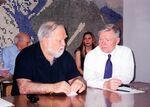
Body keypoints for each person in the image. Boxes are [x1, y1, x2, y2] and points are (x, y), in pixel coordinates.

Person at [11, 21, 86, 96]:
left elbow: (75, 77)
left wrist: (79, 81)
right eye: (59, 40)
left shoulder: (65, 56)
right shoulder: (26, 55)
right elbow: (23, 87)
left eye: (65, 39)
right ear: (45, 41)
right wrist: (53, 87)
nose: (64, 44)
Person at [84, 24, 134, 90]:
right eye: (101, 39)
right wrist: (105, 84)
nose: (103, 43)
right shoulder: (91, 55)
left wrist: (111, 83)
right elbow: (88, 80)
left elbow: (128, 77)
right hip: (97, 94)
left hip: (120, 91)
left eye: (107, 40)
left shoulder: (126, 52)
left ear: (117, 41)